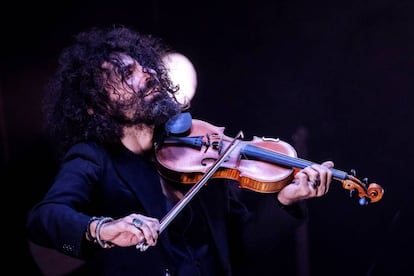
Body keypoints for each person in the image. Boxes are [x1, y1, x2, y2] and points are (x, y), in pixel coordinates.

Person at [26, 25, 334, 276]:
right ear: (98, 106)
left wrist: (286, 201)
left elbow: (242, 247)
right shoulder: (94, 158)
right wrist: (102, 229)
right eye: (125, 75)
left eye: (143, 65)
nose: (146, 74)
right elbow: (44, 219)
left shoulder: (199, 152)